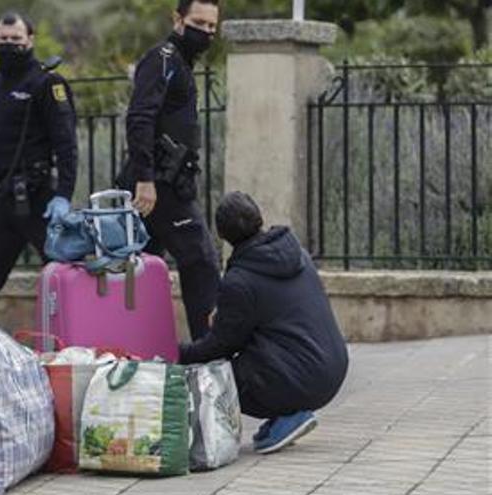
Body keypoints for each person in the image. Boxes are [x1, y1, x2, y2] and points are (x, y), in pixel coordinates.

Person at [179, 192, 349, 455]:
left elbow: (220, 346)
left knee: (216, 378)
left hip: (302, 379)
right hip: (334, 367)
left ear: (222, 235)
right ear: (259, 218)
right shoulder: (298, 255)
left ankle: (289, 414)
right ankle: (286, 415)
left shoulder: (241, 280)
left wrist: (177, 354)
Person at [0, 11, 78, 321]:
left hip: (38, 199)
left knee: (67, 275)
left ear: (30, 40)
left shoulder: (47, 83)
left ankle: (84, 341)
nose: (9, 45)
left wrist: (64, 193)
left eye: (16, 40)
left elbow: (66, 144)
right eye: (4, 40)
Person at [117, 0, 221, 340]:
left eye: (211, 27)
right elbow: (140, 117)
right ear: (178, 19)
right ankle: (211, 353)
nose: (205, 32)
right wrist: (145, 179)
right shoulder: (162, 59)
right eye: (198, 23)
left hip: (171, 181)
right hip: (158, 184)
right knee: (201, 261)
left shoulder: (180, 63)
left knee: (143, 270)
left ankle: (144, 351)